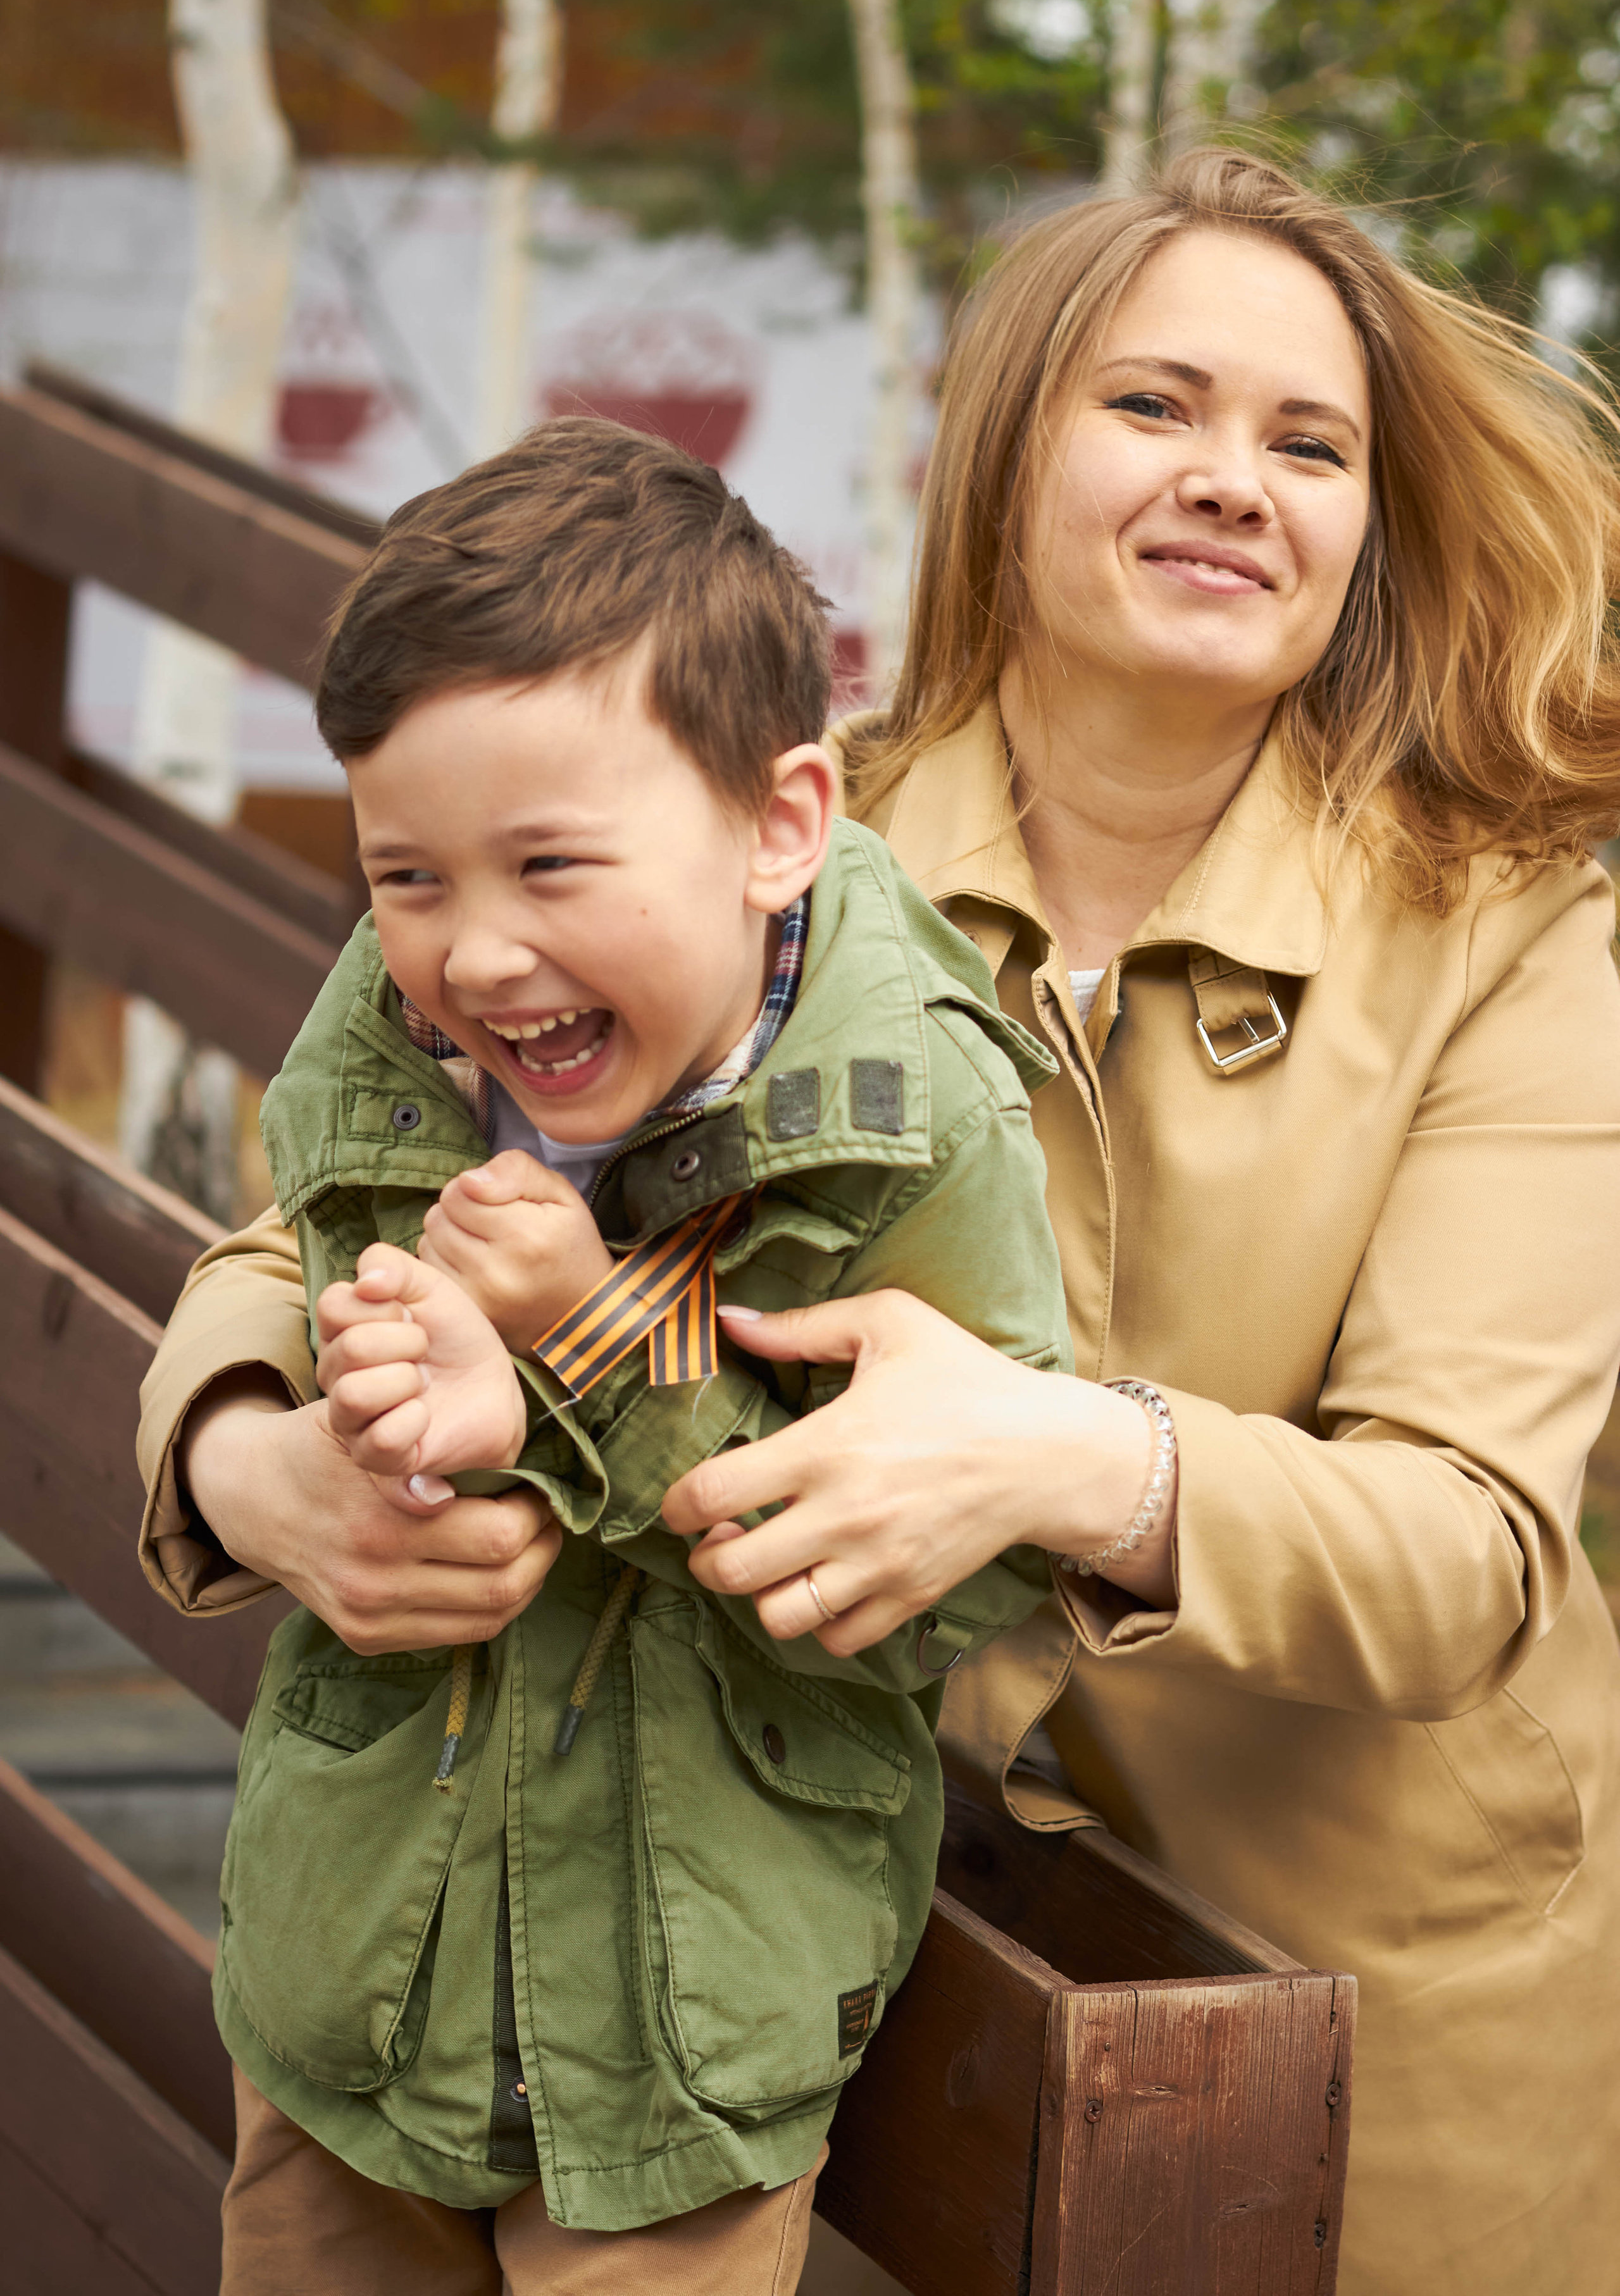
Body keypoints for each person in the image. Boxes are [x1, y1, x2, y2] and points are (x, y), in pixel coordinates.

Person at [138, 149, 1620, 2296]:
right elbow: (312, 1228)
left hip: (1357, 1991)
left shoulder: (1520, 932)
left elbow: (1469, 1549)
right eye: (1156, 407)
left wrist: (1055, 1451)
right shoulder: (753, 819)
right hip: (824, 1934)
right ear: (1001, 456)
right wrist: (257, 1468)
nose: (1235, 479)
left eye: (1311, 443)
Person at [154, 417, 1080, 2295]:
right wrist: (376, 1395)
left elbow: (941, 1594)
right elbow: (311, 1291)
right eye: (405, 878)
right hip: (355, 1979)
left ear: (778, 828)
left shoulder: (920, 1130)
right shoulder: (399, 1051)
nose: (480, 957)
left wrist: (581, 1347)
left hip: (676, 2036)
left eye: (552, 866)